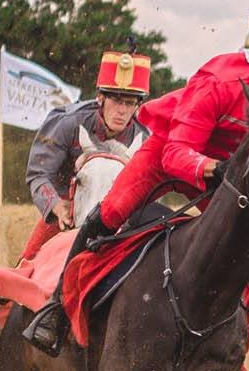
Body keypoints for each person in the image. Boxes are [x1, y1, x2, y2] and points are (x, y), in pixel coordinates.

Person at [20, 0, 249, 359]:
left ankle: (234, 352)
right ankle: (56, 309)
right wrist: (215, 169)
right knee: (110, 213)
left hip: (227, 177)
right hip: (171, 156)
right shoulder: (218, 81)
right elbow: (176, 153)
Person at [20, 48, 153, 261]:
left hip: (120, 219)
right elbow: (38, 173)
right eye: (116, 101)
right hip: (66, 209)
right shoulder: (67, 123)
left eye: (129, 103)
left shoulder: (146, 140)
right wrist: (57, 206)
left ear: (138, 105)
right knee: (25, 267)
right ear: (100, 97)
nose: (122, 110)